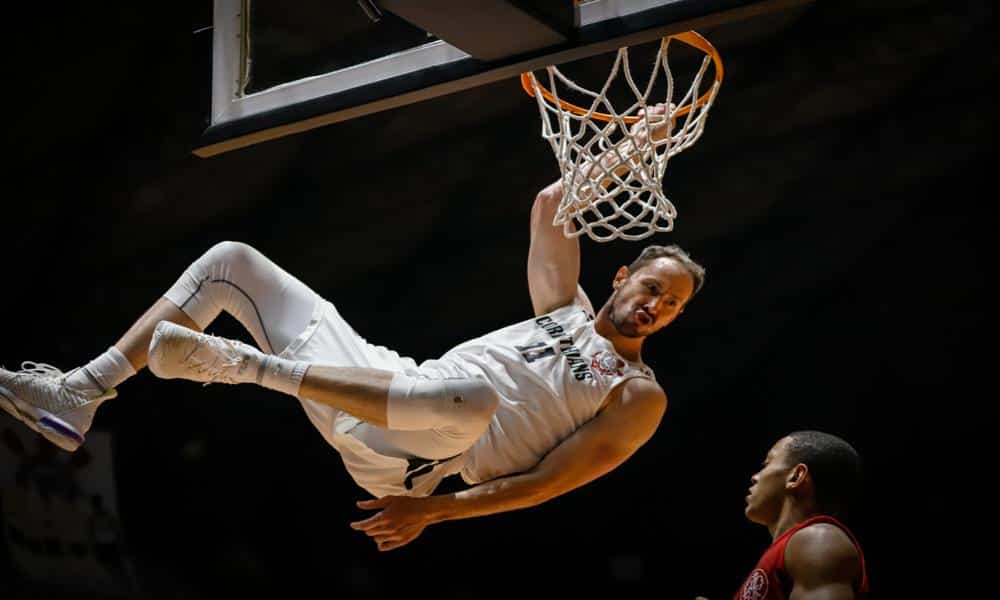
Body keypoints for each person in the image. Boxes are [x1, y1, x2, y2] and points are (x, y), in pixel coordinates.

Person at [1, 106, 704, 551]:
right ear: (621, 277)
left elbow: (552, 481)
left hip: (425, 457)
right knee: (231, 264)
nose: (657, 307)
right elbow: (553, 203)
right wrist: (629, 149)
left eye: (672, 307)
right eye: (652, 289)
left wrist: (435, 514)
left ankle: (242, 366)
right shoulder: (564, 312)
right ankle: (79, 393)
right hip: (385, 381)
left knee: (475, 398)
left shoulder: (637, 395)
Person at [708, 431, 870, 600]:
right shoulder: (790, 550)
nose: (755, 477)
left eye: (766, 464)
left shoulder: (818, 539)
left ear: (796, 476)